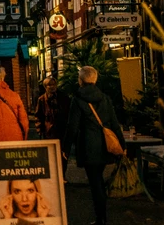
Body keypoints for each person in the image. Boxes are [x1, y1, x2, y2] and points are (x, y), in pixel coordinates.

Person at [64, 65, 125, 225]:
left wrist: (65, 148)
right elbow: (114, 123)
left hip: (88, 146)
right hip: (105, 146)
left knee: (95, 182)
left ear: (80, 80)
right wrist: (122, 145)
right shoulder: (104, 98)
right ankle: (102, 216)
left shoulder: (77, 100)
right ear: (95, 79)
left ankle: (101, 218)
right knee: (98, 179)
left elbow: (72, 127)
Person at [35, 76, 71, 177]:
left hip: (62, 130)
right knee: (50, 155)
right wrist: (40, 129)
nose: (51, 87)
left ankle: (62, 175)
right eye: (49, 85)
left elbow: (68, 113)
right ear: (45, 87)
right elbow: (39, 116)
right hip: (49, 131)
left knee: (63, 154)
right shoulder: (42, 99)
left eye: (53, 84)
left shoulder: (63, 97)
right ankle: (53, 176)